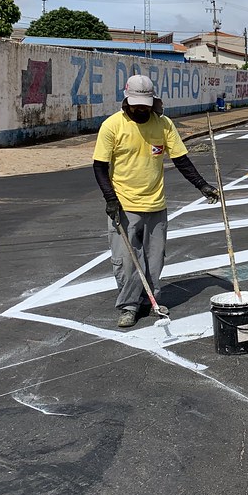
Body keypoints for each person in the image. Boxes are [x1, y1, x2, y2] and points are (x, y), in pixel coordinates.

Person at [93, 75, 220, 328]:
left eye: (145, 104)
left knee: (154, 260)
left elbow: (181, 160)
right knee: (127, 262)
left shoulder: (163, 125)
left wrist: (202, 186)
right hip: (124, 206)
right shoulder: (112, 126)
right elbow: (99, 166)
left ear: (153, 102)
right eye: (136, 104)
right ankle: (129, 307)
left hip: (156, 204)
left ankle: (152, 301)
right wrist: (110, 200)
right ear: (126, 101)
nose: (141, 109)